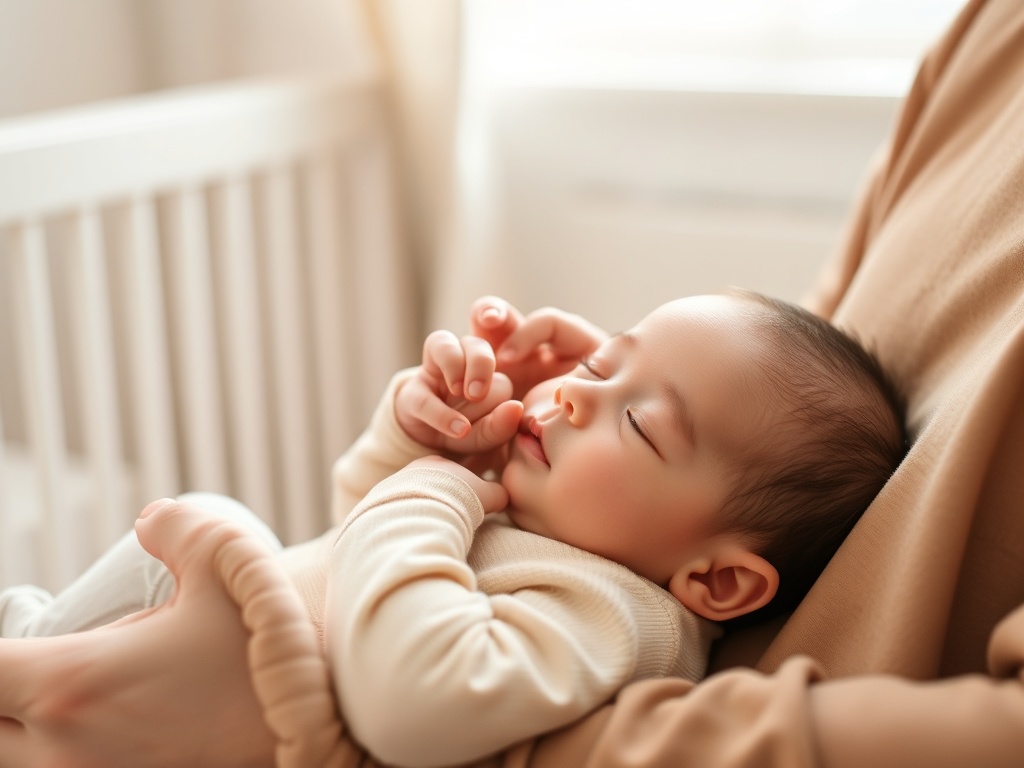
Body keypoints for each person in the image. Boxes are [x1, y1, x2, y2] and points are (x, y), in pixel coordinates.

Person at [0, 289, 905, 767]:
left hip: (245, 719)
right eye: (599, 363)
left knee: (218, 524)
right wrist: (418, 432)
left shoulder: (617, 612)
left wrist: (431, 490)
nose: (576, 393)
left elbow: (413, 704)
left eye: (637, 422)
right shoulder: (547, 519)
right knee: (197, 539)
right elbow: (354, 528)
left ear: (716, 580)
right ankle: (34, 636)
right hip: (188, 660)